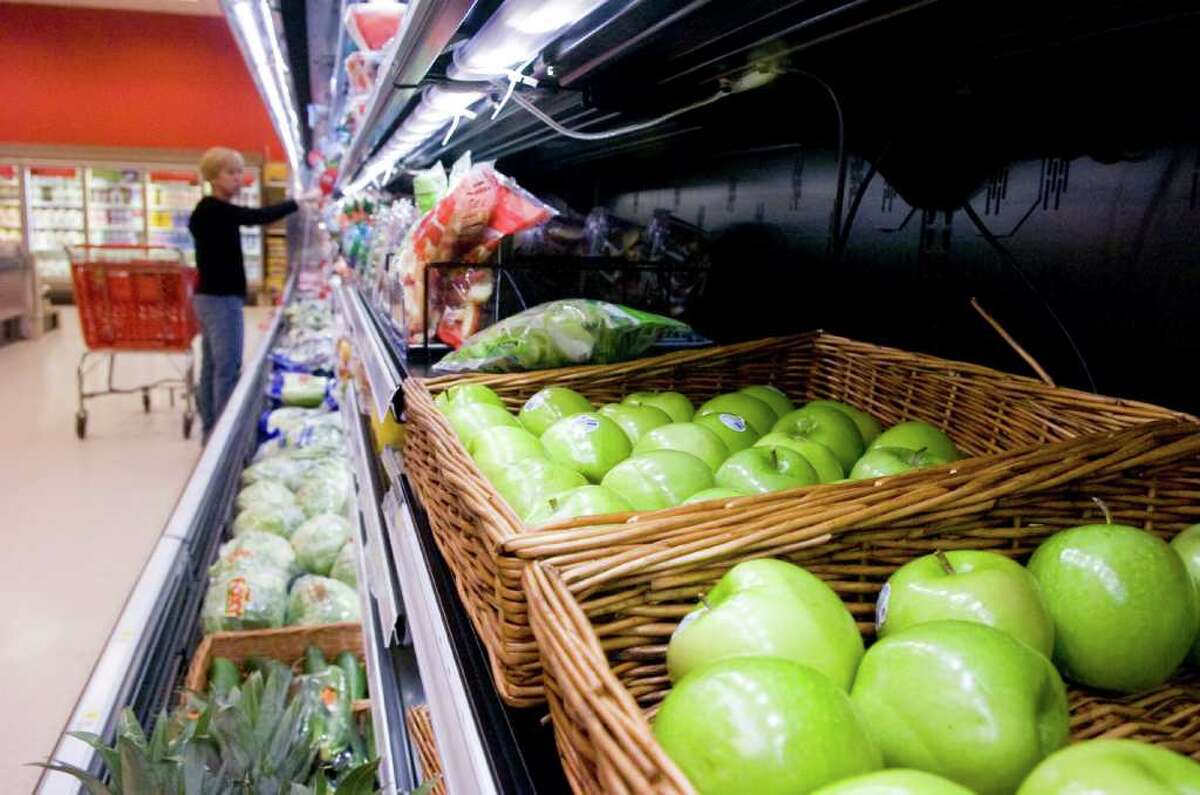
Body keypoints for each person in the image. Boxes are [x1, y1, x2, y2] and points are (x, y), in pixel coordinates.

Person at [189, 147, 318, 441]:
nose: (238, 179)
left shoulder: (208, 210)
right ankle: (223, 433)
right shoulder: (214, 209)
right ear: (213, 177)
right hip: (221, 299)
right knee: (227, 367)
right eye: (231, 173)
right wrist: (297, 203)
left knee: (211, 365)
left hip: (209, 297)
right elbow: (256, 216)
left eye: (239, 172)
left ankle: (210, 427)